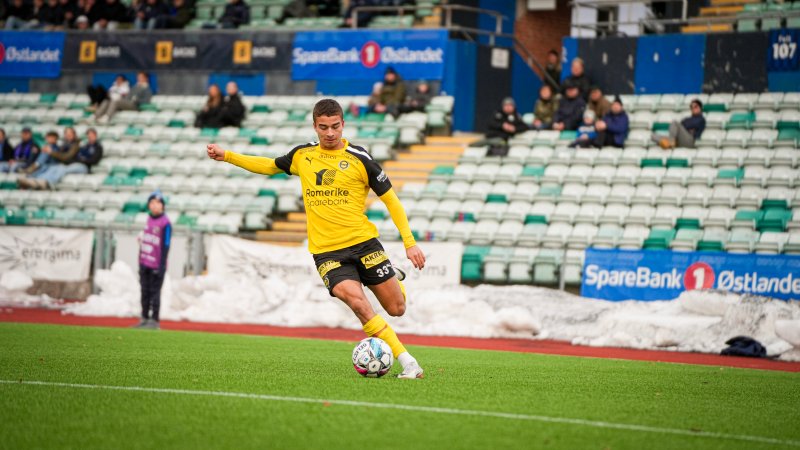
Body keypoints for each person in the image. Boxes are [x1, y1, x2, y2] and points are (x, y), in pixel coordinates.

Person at [206, 99, 426, 379]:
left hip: (364, 243)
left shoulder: (361, 158)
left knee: (397, 308)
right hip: (327, 253)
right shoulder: (303, 156)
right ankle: (408, 361)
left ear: (343, 124)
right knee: (358, 303)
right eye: (324, 127)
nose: (330, 133)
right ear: (315, 126)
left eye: (335, 126)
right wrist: (228, 156)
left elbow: (392, 201)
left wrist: (409, 242)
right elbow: (269, 165)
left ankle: (392, 276)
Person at [134, 189, 172, 330]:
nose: (155, 205)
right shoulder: (148, 219)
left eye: (158, 203)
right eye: (152, 202)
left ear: (162, 205)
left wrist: (161, 266)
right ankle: (144, 317)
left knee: (155, 293)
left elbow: (166, 244)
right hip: (144, 262)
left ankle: (154, 320)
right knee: (145, 291)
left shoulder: (165, 223)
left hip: (157, 264)